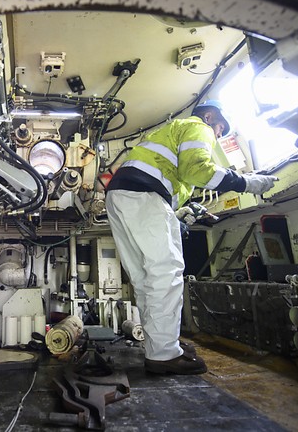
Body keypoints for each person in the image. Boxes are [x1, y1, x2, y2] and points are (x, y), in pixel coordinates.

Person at [105, 99, 278, 374]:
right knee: (165, 273)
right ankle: (164, 355)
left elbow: (172, 176)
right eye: (220, 129)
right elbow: (197, 169)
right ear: (209, 117)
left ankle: (161, 346)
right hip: (144, 194)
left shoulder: (172, 131)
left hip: (122, 194)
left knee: (146, 278)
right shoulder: (198, 127)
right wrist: (247, 182)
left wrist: (176, 212)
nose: (218, 136)